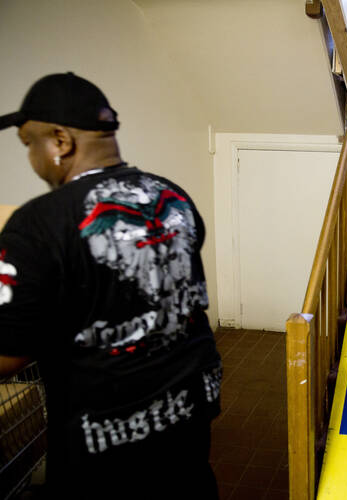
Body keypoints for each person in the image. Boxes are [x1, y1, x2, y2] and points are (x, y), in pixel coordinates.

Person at [0, 73, 222, 499]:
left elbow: (7, 354)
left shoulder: (39, 222)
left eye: (31, 143)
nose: (32, 157)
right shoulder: (171, 195)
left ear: (60, 141)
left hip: (103, 445)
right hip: (190, 410)